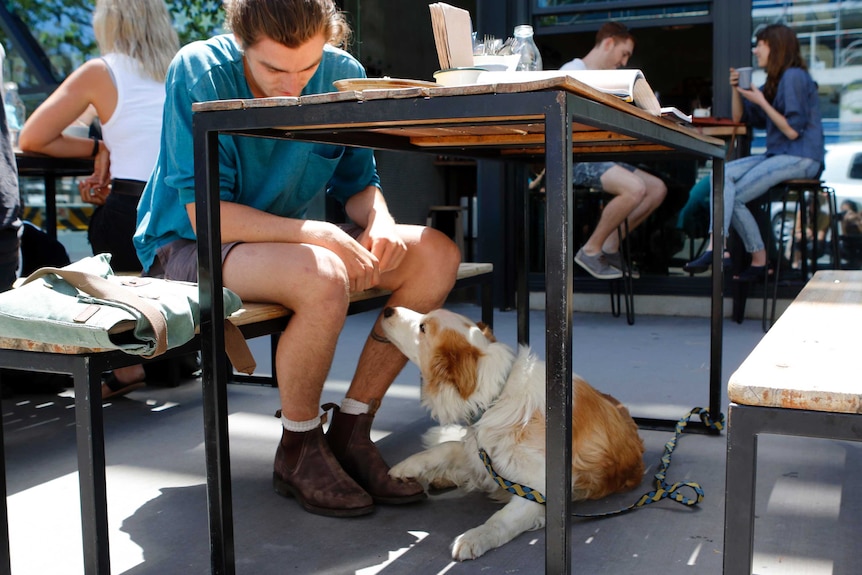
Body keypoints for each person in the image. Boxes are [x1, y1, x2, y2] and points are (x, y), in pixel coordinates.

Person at [133, 0, 461, 517]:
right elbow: (206, 216)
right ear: (242, 43)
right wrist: (318, 233)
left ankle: (353, 426)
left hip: (287, 243)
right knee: (322, 272)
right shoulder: (198, 71)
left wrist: (380, 220)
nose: (294, 85)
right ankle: (299, 445)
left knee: (435, 255)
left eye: (307, 68)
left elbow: (359, 184)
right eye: (272, 69)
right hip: (189, 245)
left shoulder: (342, 74)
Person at [18, 0, 180, 398]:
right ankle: (163, 354)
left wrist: (97, 147)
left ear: (109, 22)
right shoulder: (182, 70)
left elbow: (32, 138)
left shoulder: (103, 71)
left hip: (132, 216)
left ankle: (123, 364)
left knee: (104, 222)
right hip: (186, 210)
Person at [684, 23, 824, 281]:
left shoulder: (793, 76)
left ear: (775, 46)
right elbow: (740, 118)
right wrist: (738, 91)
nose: (756, 50)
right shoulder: (778, 81)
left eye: (760, 44)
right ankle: (720, 249)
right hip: (779, 155)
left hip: (802, 157)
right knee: (722, 173)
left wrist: (759, 99)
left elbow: (793, 131)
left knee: (734, 193)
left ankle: (753, 257)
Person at [561, 22, 668, 280]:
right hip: (571, 157)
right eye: (624, 54)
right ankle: (590, 249)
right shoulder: (572, 72)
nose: (623, 62)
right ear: (609, 42)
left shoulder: (604, 80)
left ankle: (609, 244)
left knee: (656, 189)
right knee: (635, 188)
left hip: (599, 155)